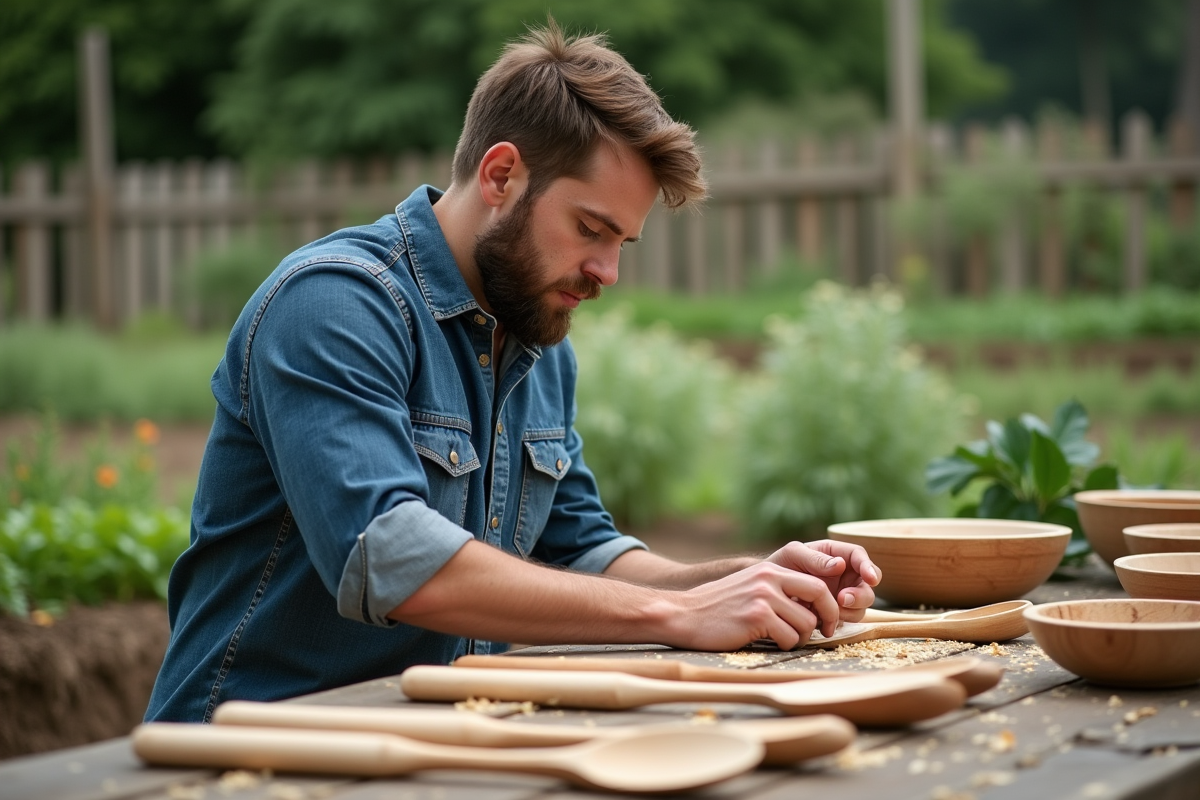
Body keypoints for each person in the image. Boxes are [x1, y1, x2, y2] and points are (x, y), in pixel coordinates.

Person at [145, 20, 880, 724]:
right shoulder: (333, 304)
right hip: (240, 752)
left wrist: (742, 582)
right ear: (501, 174)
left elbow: (580, 550)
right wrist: (680, 614)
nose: (608, 271)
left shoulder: (535, 333)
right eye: (591, 229)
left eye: (623, 241)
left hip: (427, 742)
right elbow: (391, 558)